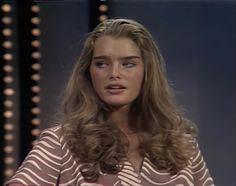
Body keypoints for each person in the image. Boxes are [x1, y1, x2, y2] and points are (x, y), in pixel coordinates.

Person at [6, 18, 214, 186]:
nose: (114, 73)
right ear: (89, 72)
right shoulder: (61, 143)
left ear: (147, 72)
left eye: (128, 64)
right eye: (102, 64)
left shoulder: (182, 145)